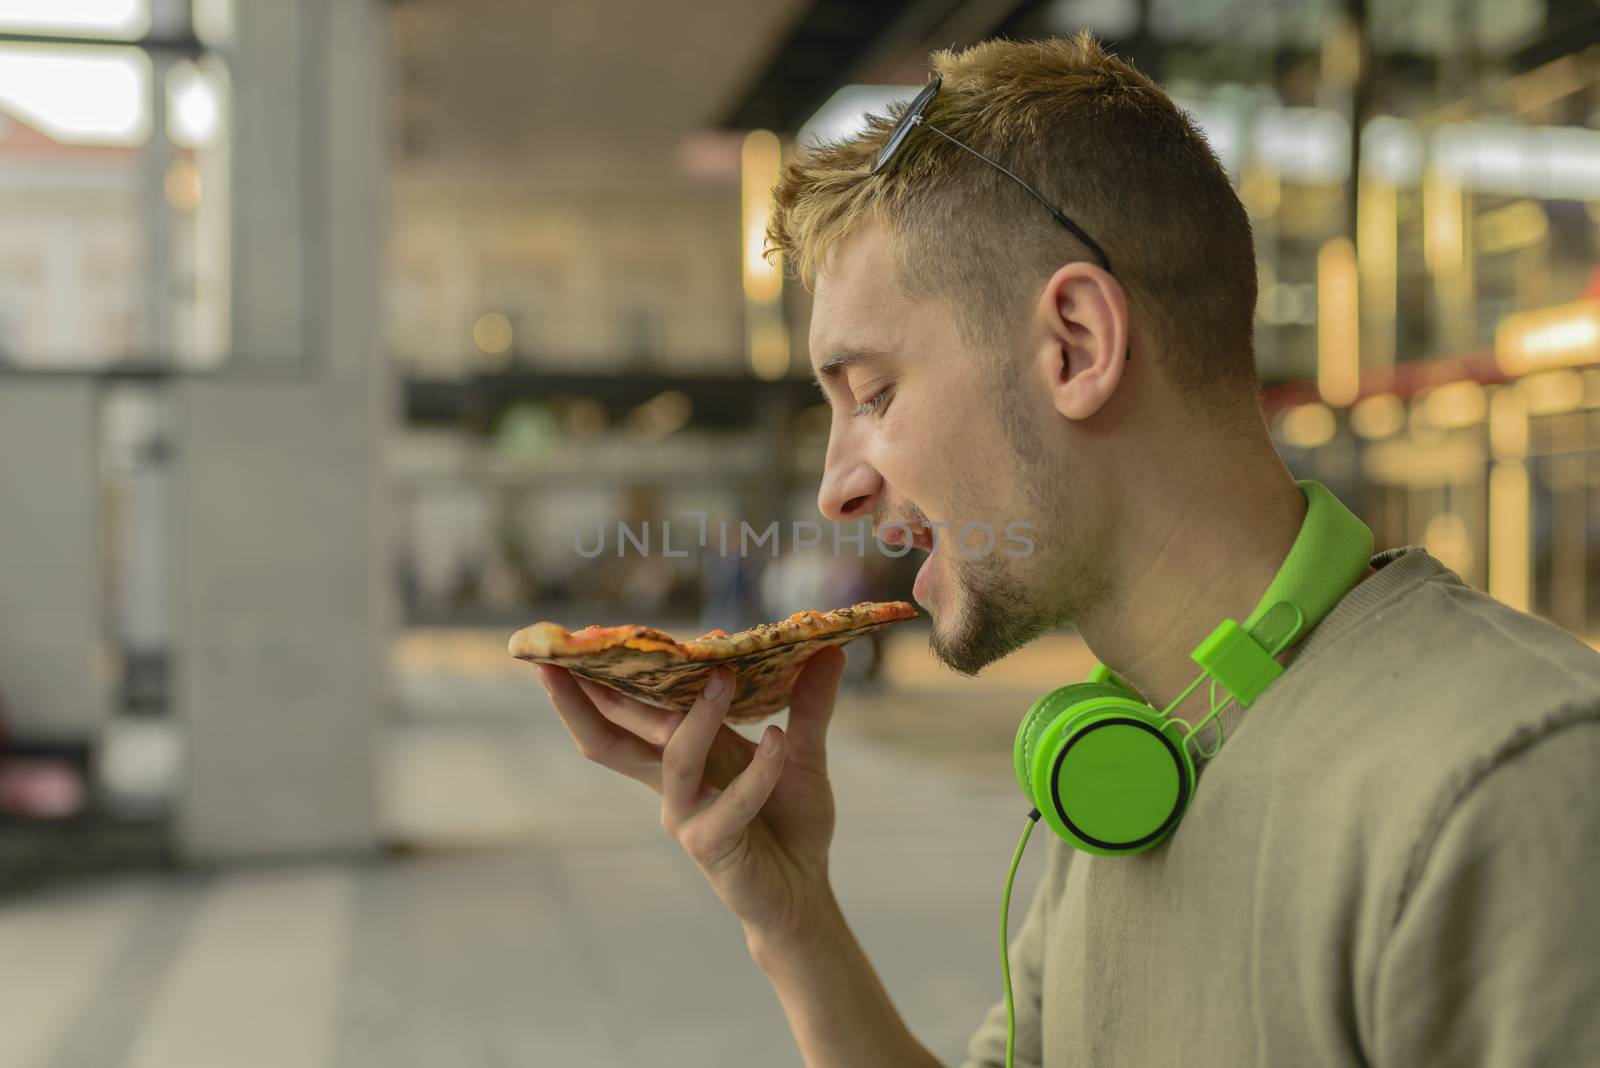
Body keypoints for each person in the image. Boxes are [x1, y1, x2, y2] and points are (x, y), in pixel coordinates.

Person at [535, 31, 1600, 1067]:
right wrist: (794, 918)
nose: (835, 485)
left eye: (873, 394)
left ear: (1076, 345)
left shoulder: (1514, 792)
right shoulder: (1132, 749)